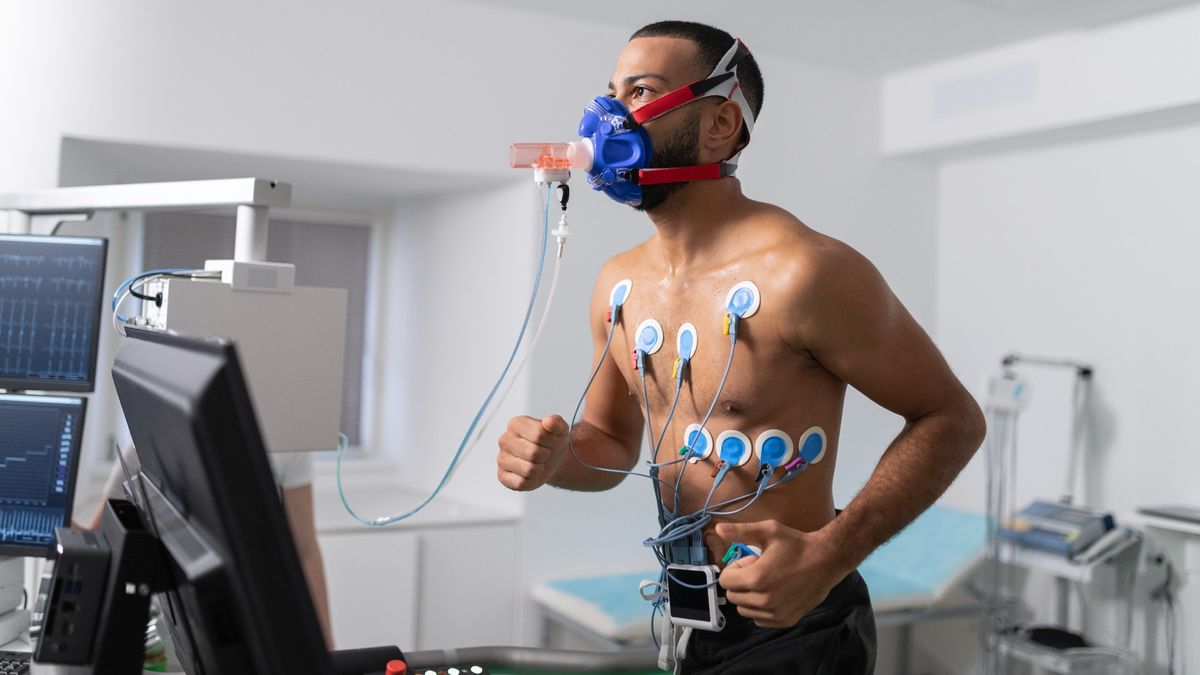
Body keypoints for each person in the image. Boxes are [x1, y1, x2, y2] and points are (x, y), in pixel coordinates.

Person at [496, 20, 986, 674]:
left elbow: (953, 418)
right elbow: (612, 444)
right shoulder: (617, 282)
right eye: (609, 92)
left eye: (640, 92)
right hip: (687, 610)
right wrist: (558, 457)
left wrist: (826, 557)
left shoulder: (804, 273)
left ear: (721, 124)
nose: (606, 117)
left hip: (797, 621)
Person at [93, 446, 333, 647]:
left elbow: (305, 551)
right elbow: (100, 539)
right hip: (181, 626)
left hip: (263, 621)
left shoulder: (290, 442)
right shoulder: (146, 438)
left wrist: (327, 650)